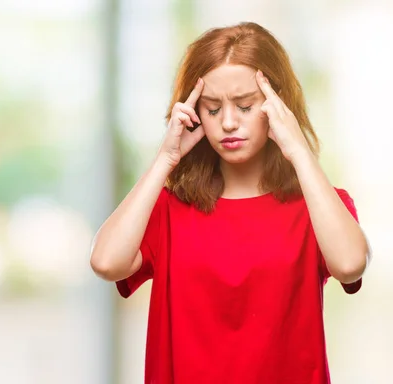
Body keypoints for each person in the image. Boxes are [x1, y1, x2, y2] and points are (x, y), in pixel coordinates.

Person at [90, 21, 370, 384]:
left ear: (276, 106)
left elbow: (350, 264)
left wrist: (298, 150)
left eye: (245, 106)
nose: (228, 122)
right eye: (211, 108)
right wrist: (164, 159)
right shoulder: (169, 210)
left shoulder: (318, 206)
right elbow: (106, 262)